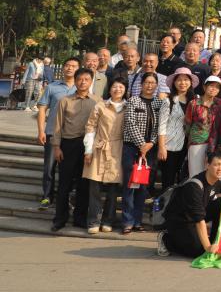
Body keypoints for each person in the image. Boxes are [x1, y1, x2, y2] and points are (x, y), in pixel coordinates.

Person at [156, 150, 221, 258]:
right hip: (179, 221)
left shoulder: (218, 181)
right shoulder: (194, 187)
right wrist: (208, 248)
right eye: (216, 164)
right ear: (207, 164)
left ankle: (215, 241)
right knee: (199, 251)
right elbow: (199, 220)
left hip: (193, 216)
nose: (220, 169)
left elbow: (212, 197)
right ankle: (166, 239)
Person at [51, 68, 98, 232]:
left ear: (91, 81)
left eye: (86, 79)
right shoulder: (65, 101)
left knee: (84, 185)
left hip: (87, 147)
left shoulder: (97, 101)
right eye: (80, 79)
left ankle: (80, 218)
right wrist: (56, 147)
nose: (83, 82)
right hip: (68, 145)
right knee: (64, 184)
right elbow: (57, 125)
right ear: (75, 81)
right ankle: (60, 218)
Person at [121, 71, 168, 234]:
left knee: (142, 187)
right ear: (141, 85)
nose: (149, 86)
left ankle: (137, 221)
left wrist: (152, 143)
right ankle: (127, 221)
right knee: (130, 185)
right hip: (132, 148)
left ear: (157, 86)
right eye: (147, 82)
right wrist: (141, 144)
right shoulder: (133, 101)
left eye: (153, 83)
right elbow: (130, 123)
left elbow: (159, 126)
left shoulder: (159, 103)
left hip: (149, 150)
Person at [83, 78, 126, 234]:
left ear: (125, 90)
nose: (117, 89)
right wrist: (88, 150)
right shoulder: (100, 106)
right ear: (110, 89)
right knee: (94, 187)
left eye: (121, 87)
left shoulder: (128, 107)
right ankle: (93, 221)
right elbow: (90, 127)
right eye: (115, 86)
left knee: (113, 189)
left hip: (118, 149)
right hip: (99, 147)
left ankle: (108, 220)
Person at [36, 57, 78, 206]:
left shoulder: (81, 88)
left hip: (72, 135)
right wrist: (41, 131)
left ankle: (65, 197)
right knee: (49, 167)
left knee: (69, 169)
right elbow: (42, 109)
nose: (69, 68)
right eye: (67, 65)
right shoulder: (52, 87)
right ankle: (47, 196)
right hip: (52, 133)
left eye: (73, 66)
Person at [184, 77, 221, 177]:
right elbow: (187, 124)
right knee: (195, 173)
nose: (214, 89)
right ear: (204, 87)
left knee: (213, 173)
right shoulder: (194, 103)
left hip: (215, 144)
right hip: (197, 142)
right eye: (211, 86)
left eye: (217, 87)